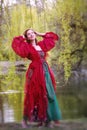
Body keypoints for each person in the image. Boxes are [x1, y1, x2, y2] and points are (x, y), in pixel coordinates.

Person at [12, 29, 61, 128]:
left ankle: (47, 120)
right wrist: (23, 37)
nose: (31, 35)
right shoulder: (27, 47)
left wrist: (39, 33)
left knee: (48, 94)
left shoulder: (42, 45)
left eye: (32, 33)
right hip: (35, 72)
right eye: (28, 34)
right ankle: (28, 120)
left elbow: (53, 37)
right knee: (34, 95)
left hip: (45, 71)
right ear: (27, 37)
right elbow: (15, 43)